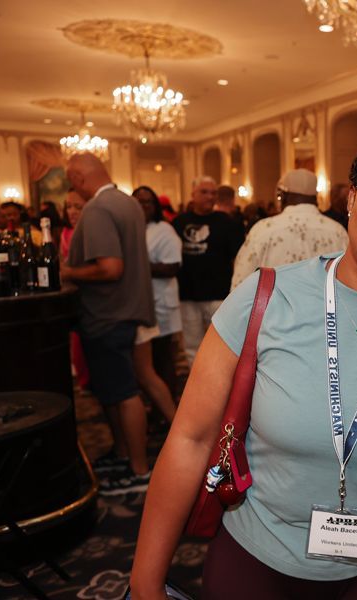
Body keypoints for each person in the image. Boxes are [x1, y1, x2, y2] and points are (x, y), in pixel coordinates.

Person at [130, 130, 357, 600]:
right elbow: (190, 439)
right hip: (258, 553)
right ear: (350, 199)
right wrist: (146, 583)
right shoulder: (264, 297)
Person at [60, 153, 156, 495]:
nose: (74, 190)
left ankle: (139, 471)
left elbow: (111, 268)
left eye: (73, 183)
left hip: (108, 314)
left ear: (80, 178)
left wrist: (68, 271)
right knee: (116, 391)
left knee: (124, 393)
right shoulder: (127, 202)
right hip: (125, 312)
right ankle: (122, 454)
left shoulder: (99, 208)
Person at [231, 169, 348, 290]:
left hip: (274, 309)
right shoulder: (337, 231)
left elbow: (240, 283)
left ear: (282, 196)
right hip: (326, 308)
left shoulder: (263, 230)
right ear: (315, 197)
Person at [172, 177, 245, 365]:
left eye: (213, 193)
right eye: (204, 192)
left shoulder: (226, 222)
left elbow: (237, 258)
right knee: (191, 345)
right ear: (193, 194)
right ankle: (195, 388)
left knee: (223, 344)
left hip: (218, 294)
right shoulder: (179, 223)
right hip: (188, 293)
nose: (210, 197)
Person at [133, 185, 183, 420]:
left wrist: (139, 266)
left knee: (162, 360)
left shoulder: (164, 230)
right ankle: (156, 409)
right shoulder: (132, 228)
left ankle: (167, 413)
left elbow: (172, 266)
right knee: (146, 363)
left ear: (156, 206)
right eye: (138, 201)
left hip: (161, 304)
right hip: (141, 304)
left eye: (148, 202)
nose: (143, 207)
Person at [62, 190, 90, 390]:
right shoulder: (65, 234)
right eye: (68, 207)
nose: (72, 212)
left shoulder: (91, 233)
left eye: (77, 207)